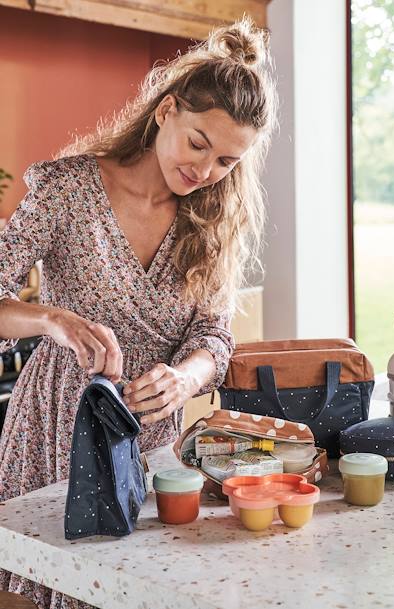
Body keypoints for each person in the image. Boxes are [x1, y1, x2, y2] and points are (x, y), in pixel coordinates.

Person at [0, 17, 277, 609]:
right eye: (198, 143)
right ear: (165, 111)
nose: (204, 172)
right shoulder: (64, 188)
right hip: (54, 426)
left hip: (149, 435)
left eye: (227, 161)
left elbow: (213, 336)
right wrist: (49, 319)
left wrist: (185, 378)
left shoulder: (215, 220)